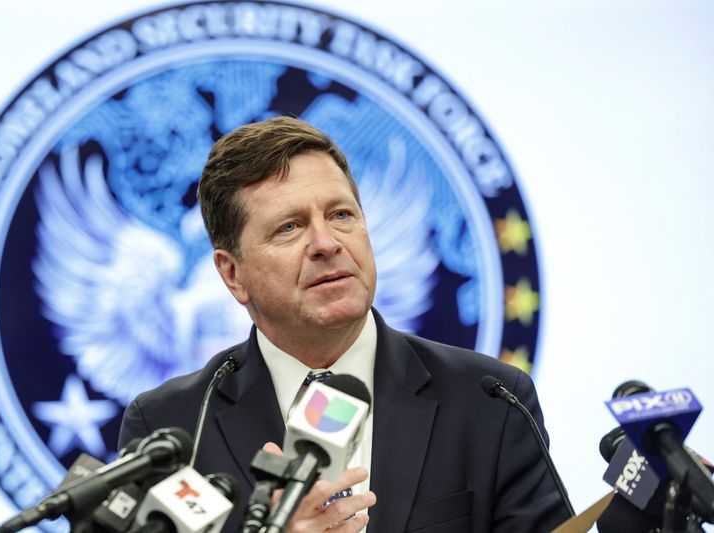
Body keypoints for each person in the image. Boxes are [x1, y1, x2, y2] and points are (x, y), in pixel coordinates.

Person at [119, 116, 570, 532]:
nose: (326, 243)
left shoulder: (490, 400)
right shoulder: (172, 426)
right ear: (233, 274)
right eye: (290, 227)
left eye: (341, 215)